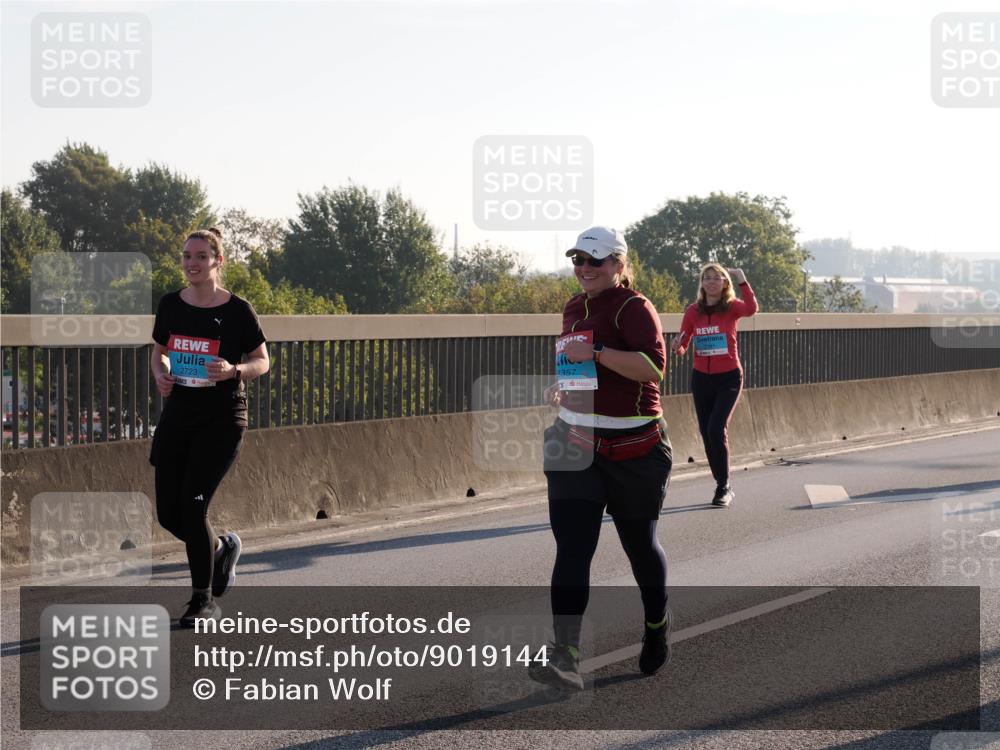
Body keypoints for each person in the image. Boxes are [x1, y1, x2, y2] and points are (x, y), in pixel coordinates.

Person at [529, 226, 673, 691]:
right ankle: (565, 653)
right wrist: (565, 386)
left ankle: (656, 624)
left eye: (595, 261)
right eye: (578, 261)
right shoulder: (573, 307)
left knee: (640, 548)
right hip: (576, 442)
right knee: (573, 549)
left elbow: (652, 369)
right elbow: (581, 369)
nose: (585, 269)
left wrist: (595, 350)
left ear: (618, 264)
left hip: (635, 448)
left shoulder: (636, 308)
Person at [149, 228, 269, 628]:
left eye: (201, 256)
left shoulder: (237, 310)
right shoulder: (170, 305)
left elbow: (262, 360)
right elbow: (159, 352)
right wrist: (161, 375)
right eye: (186, 256)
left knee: (193, 506)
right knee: (169, 514)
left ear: (218, 261)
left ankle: (202, 600)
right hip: (179, 415)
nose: (191, 264)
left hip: (221, 419)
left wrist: (234, 370)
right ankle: (219, 549)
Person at [670, 263, 757, 507]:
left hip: (729, 377)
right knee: (707, 433)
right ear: (702, 284)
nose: (710, 282)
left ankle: (724, 486)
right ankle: (721, 480)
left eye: (716, 278)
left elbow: (751, 309)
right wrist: (678, 346)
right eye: (706, 278)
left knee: (716, 429)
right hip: (702, 378)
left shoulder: (731, 308)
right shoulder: (693, 312)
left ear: (724, 283)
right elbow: (684, 341)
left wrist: (742, 280)